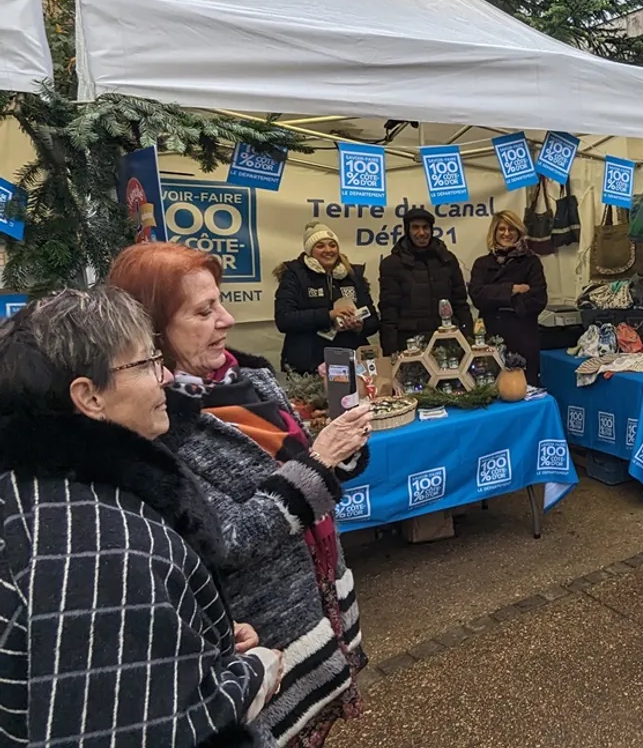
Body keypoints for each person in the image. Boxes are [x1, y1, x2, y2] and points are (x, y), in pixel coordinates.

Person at [108, 243, 371, 748]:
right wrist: (321, 460)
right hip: (267, 641)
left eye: (221, 303)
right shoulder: (157, 425)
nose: (226, 320)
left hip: (321, 601)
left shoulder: (250, 378)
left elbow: (311, 468)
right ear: (154, 330)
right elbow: (228, 539)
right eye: (204, 311)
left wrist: (345, 442)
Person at [0, 287, 282, 747]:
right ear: (89, 396)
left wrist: (193, 636)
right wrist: (251, 674)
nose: (166, 376)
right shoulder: (99, 547)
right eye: (147, 363)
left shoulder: (40, 489)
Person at [275, 222, 380, 375]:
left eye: (332, 245)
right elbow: (284, 319)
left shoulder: (352, 275)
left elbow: (373, 320)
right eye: (320, 246)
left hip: (351, 361)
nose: (328, 250)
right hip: (309, 364)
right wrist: (329, 315)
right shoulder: (294, 275)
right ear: (310, 251)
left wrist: (360, 326)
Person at [378, 208, 473, 355]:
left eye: (425, 227)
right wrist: (390, 352)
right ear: (407, 230)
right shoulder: (392, 264)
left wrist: (469, 339)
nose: (421, 233)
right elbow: (389, 312)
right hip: (410, 344)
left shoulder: (447, 259)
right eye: (415, 227)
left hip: (448, 341)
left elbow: (460, 304)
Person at [469, 210, 549, 385]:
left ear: (519, 232)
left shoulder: (531, 262)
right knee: (489, 386)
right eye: (502, 229)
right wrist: (513, 289)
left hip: (523, 336)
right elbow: (477, 296)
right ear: (494, 232)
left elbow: (538, 299)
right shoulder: (482, 264)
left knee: (526, 387)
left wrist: (496, 298)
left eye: (511, 229)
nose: (507, 233)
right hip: (490, 335)